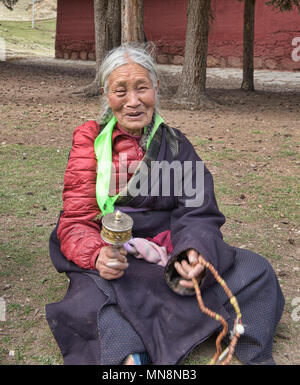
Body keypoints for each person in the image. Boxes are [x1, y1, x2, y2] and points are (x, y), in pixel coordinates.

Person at [46, 44, 284, 366]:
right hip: (114, 251)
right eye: (120, 91)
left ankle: (228, 335)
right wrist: (97, 254)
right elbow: (76, 218)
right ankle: (133, 355)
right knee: (93, 299)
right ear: (106, 93)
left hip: (166, 249)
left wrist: (192, 252)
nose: (133, 101)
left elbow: (198, 209)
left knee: (255, 272)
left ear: (156, 88)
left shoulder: (175, 144)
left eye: (142, 88)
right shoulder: (90, 141)